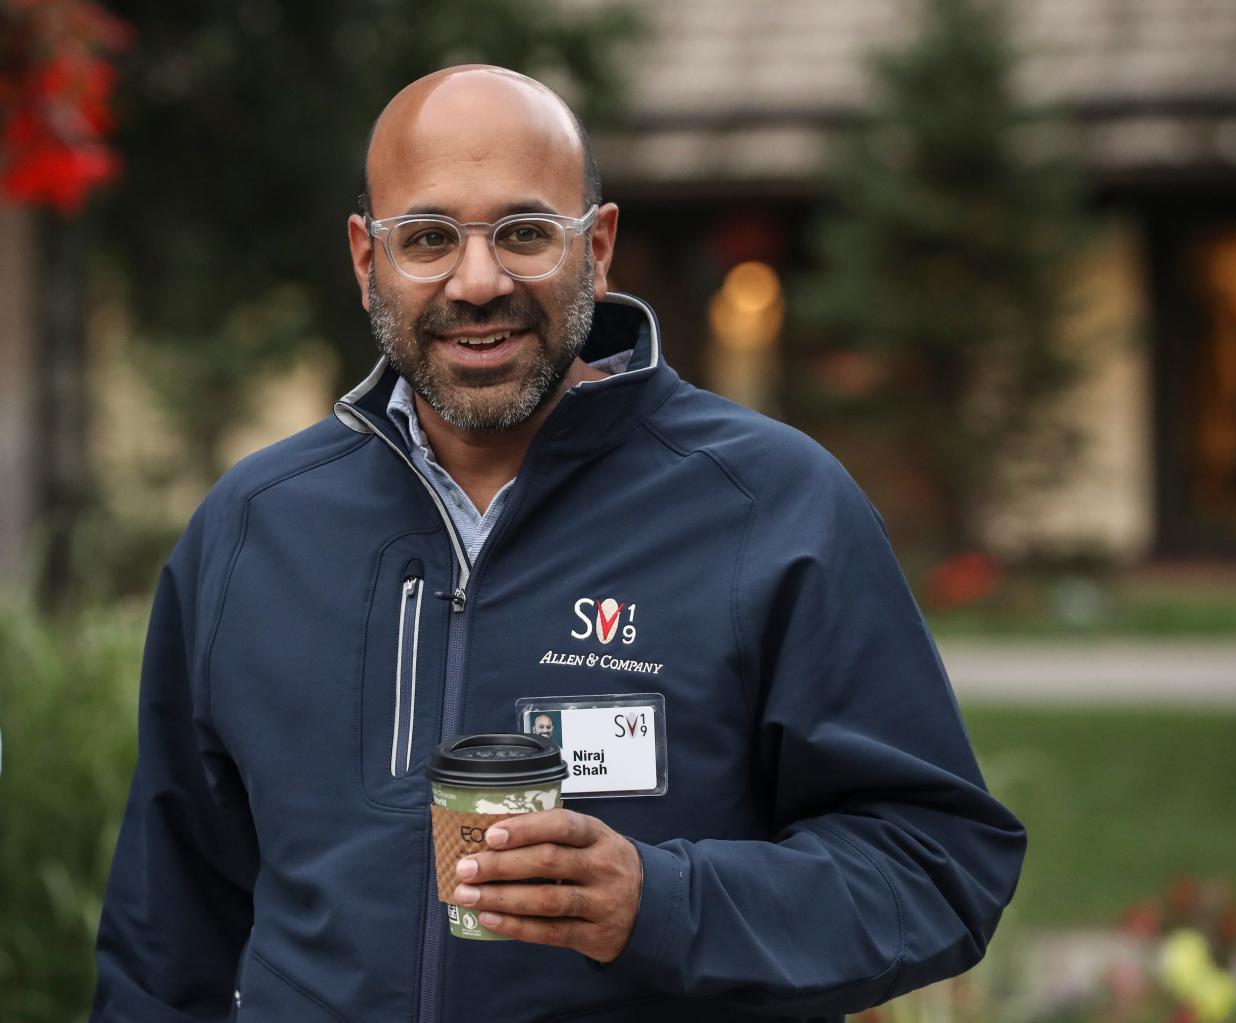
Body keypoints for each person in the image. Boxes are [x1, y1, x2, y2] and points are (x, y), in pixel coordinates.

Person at [90, 66, 1025, 1023]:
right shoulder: (253, 527)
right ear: (368, 260)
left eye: (526, 233)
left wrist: (661, 903)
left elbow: (936, 864)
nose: (479, 280)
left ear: (599, 247)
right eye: (428, 239)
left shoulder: (775, 508)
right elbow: (167, 931)